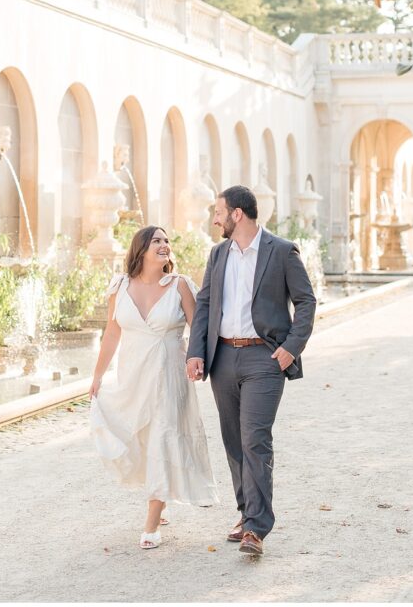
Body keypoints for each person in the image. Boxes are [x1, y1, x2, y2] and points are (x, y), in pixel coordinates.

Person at [186, 185, 316, 557]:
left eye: (218, 211)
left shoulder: (282, 251)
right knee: (233, 441)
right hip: (223, 358)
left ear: (237, 214)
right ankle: (246, 514)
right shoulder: (218, 254)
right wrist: (196, 352)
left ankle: (257, 528)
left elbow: (306, 301)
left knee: (254, 437)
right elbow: (206, 304)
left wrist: (290, 348)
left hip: (265, 358)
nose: (214, 218)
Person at [90, 225, 218, 549]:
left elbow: (199, 329)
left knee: (163, 435)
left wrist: (197, 359)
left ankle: (151, 523)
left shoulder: (180, 286)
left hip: (169, 375)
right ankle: (158, 497)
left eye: (166, 241)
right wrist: (97, 376)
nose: (164, 245)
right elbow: (112, 334)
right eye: (157, 240)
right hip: (133, 375)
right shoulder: (119, 286)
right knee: (143, 438)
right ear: (141, 248)